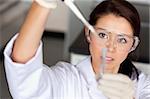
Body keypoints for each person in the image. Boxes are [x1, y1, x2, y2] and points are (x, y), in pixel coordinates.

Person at [4, 0, 150, 99]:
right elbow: (24, 78)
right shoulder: (67, 80)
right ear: (88, 34)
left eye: (122, 39)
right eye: (103, 35)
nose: (110, 47)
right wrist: (42, 4)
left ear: (132, 45)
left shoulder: (142, 85)